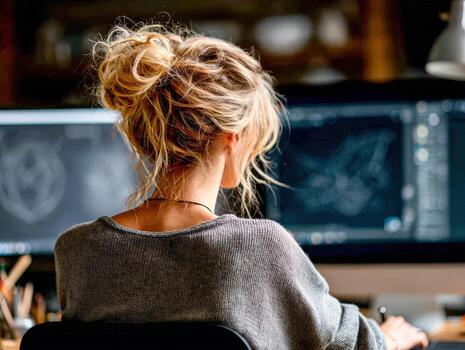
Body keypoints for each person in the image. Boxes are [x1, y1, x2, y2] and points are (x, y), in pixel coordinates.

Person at [55, 23, 429, 350]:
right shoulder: (260, 248)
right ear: (230, 138)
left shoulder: (77, 251)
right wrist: (390, 338)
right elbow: (344, 341)